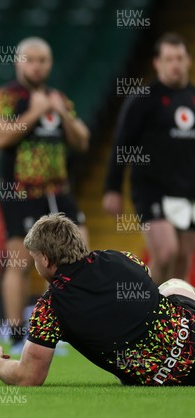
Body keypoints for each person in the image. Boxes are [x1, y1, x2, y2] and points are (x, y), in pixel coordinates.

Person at [0, 213, 195, 386]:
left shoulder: (51, 307)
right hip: (190, 338)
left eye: (35, 258)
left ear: (46, 259)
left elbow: (28, 376)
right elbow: (146, 281)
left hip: (159, 377)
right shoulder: (120, 258)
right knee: (173, 285)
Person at [0, 37, 90, 354]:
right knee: (20, 261)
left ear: (50, 64)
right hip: (20, 191)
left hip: (58, 190)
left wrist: (63, 115)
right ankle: (16, 334)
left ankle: (56, 329)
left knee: (75, 257)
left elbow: (82, 141)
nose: (37, 65)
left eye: (43, 60)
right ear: (18, 62)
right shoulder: (5, 97)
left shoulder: (58, 98)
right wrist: (34, 113)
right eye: (31, 59)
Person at [103, 33, 195, 285]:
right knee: (166, 253)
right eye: (169, 59)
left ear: (187, 60)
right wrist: (112, 188)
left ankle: (174, 320)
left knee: (182, 260)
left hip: (187, 192)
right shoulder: (144, 99)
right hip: (151, 190)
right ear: (157, 63)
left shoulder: (192, 98)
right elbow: (122, 143)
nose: (175, 64)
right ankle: (143, 312)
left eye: (179, 58)